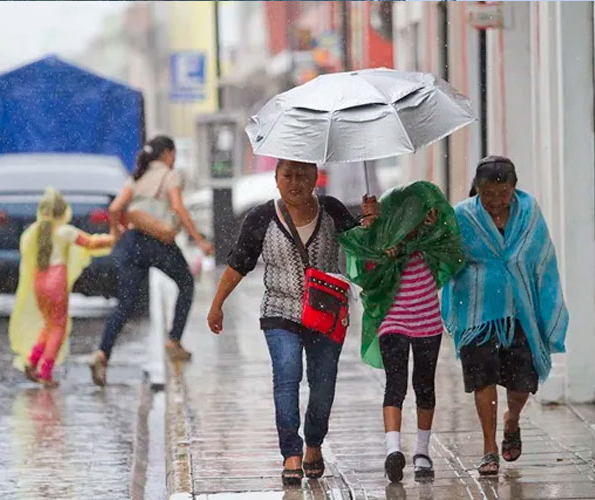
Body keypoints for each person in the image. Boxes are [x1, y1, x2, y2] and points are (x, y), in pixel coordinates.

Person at [207, 159, 362, 486]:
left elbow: (363, 246)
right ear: (276, 179)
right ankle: (291, 451)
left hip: (326, 314)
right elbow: (239, 263)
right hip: (280, 311)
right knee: (288, 373)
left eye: (302, 175)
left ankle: (314, 443)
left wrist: (371, 222)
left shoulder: (332, 210)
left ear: (315, 178)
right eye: (287, 175)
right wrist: (217, 304)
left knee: (323, 383)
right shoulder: (261, 217)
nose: (295, 183)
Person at [441, 156, 569, 475]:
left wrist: (546, 307)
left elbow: (543, 259)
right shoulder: (462, 216)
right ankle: (489, 448)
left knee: (522, 381)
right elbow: (447, 258)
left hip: (520, 310)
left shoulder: (529, 213)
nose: (496, 201)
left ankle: (511, 420)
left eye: (503, 193)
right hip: (477, 313)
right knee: (482, 378)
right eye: (488, 194)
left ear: (514, 187)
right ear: (478, 189)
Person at [339, 181, 465, 483]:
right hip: (392, 320)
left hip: (428, 323)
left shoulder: (430, 239)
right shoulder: (381, 240)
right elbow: (365, 270)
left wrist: (432, 226)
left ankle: (422, 451)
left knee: (424, 385)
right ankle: (393, 451)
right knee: (395, 384)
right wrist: (370, 226)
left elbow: (453, 250)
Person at [90, 135, 213, 386]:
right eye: (173, 154)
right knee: (186, 283)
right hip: (159, 243)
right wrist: (198, 238)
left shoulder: (137, 177)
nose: (174, 159)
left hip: (133, 242)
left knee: (125, 303)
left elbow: (115, 208)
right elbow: (178, 208)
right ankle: (174, 340)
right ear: (167, 154)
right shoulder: (170, 175)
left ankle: (103, 353)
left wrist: (116, 232)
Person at [9, 187, 115, 388]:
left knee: (48, 324)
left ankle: (32, 361)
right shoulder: (65, 231)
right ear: (63, 211)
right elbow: (91, 243)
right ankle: (45, 372)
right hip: (56, 282)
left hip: (39, 281)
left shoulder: (36, 232)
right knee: (58, 327)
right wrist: (114, 238)